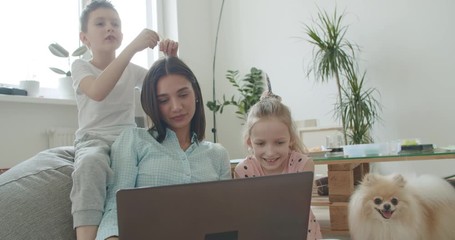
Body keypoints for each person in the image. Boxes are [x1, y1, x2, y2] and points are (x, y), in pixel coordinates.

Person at [70, 1, 179, 239]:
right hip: (94, 139)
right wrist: (132, 48)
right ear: (84, 38)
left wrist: (171, 60)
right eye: (100, 23)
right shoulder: (80, 66)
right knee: (90, 164)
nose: (109, 28)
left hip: (129, 140)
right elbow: (98, 91)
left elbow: (165, 87)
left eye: (115, 24)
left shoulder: (132, 69)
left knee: (161, 162)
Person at [96, 56, 232, 240]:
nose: (176, 107)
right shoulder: (134, 140)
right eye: (163, 100)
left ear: (196, 94)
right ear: (153, 104)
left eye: (183, 95)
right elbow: (114, 208)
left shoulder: (217, 154)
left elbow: (225, 220)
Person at [234, 90, 323, 239]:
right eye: (261, 143)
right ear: (250, 142)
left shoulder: (304, 165)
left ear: (291, 139)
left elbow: (295, 210)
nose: (270, 152)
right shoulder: (243, 170)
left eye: (279, 142)